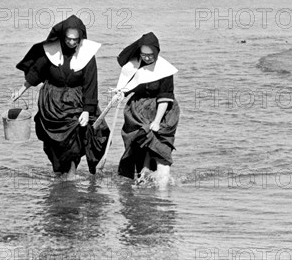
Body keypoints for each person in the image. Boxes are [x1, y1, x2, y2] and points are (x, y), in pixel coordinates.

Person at [11, 15, 109, 180]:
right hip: (51, 104)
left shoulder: (87, 55)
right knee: (52, 143)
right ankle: (59, 174)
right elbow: (36, 73)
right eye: (69, 39)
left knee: (76, 139)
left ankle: (71, 175)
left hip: (76, 103)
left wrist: (87, 110)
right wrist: (21, 90)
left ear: (81, 37)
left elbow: (91, 84)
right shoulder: (51, 51)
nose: (72, 42)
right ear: (63, 36)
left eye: (75, 39)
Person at [113, 32, 180, 187]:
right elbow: (129, 85)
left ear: (156, 53)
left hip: (163, 113)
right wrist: (121, 93)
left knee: (161, 148)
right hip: (138, 114)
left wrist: (156, 121)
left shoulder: (164, 69)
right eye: (144, 54)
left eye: (150, 55)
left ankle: (162, 196)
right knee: (140, 147)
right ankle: (143, 179)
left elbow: (165, 98)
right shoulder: (135, 65)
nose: (147, 58)